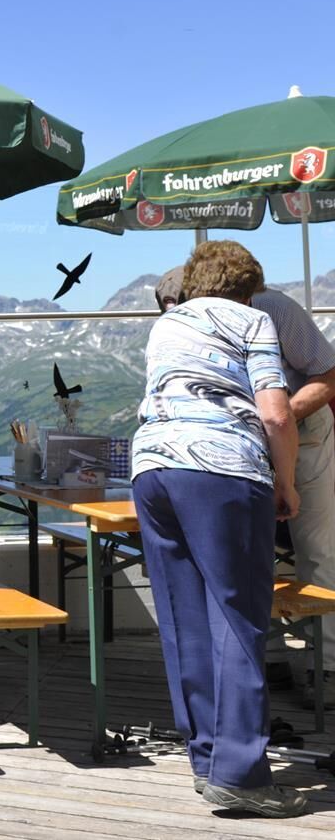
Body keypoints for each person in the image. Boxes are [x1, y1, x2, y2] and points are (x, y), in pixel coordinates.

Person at [135, 242, 305, 818]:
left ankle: (207, 761)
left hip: (152, 470)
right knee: (237, 617)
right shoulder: (251, 320)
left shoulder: (166, 323)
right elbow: (276, 413)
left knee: (183, 617)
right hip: (222, 469)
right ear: (250, 287)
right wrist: (287, 483)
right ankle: (242, 776)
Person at [157, 266, 335, 707]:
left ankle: (327, 668)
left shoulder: (274, 308)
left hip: (305, 439)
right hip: (240, 449)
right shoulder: (180, 327)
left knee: (318, 552)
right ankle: (271, 661)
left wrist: (282, 417)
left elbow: (328, 376)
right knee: (253, 553)